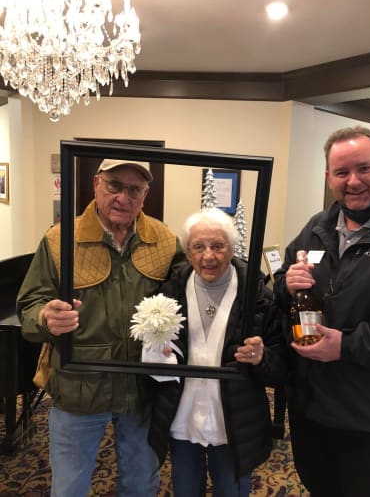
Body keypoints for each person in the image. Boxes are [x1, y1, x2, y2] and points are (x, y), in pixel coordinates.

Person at [17, 159, 185, 497]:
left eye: (134, 189)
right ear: (96, 185)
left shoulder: (165, 242)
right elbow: (29, 304)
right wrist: (44, 318)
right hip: (78, 391)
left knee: (141, 484)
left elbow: (187, 297)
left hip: (141, 391)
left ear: (145, 194)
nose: (123, 197)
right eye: (114, 186)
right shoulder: (59, 241)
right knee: (69, 488)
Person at [273, 126, 370, 497]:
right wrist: (286, 283)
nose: (353, 181)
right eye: (342, 173)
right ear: (329, 177)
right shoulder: (318, 226)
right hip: (311, 408)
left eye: (364, 168)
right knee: (318, 487)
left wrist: (346, 345)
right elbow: (282, 286)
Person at [148, 207, 286, 497]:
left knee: (231, 490)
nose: (208, 256)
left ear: (232, 249)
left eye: (217, 246)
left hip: (235, 418)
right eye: (198, 247)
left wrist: (262, 358)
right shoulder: (172, 287)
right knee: (185, 489)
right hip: (182, 416)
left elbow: (281, 365)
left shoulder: (257, 292)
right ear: (187, 251)